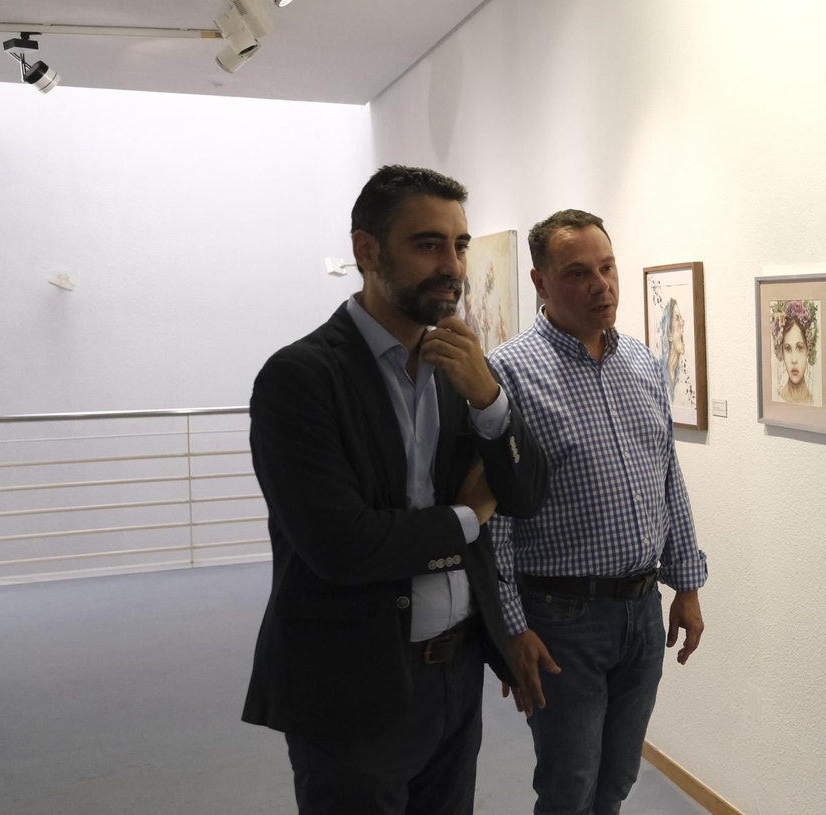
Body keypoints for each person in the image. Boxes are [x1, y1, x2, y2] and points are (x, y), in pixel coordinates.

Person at [241, 165, 553, 815]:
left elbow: (523, 495)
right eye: (427, 243)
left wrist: (490, 399)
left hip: (456, 676)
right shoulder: (299, 379)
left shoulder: (459, 370)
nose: (452, 264)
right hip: (351, 684)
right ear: (367, 251)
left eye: (461, 245)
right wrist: (466, 516)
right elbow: (343, 545)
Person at [488, 208, 708, 815]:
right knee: (569, 784)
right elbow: (494, 519)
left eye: (607, 267)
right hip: (560, 620)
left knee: (616, 779)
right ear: (540, 281)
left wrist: (686, 585)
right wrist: (511, 627)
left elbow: (667, 476)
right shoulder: (508, 373)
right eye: (578, 273)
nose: (601, 285)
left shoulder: (640, 362)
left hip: (641, 610)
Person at [771, 300, 815, 405]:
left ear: (807, 350)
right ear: (781, 351)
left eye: (799, 348)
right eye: (788, 349)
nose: (794, 360)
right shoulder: (777, 399)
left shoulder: (814, 401)